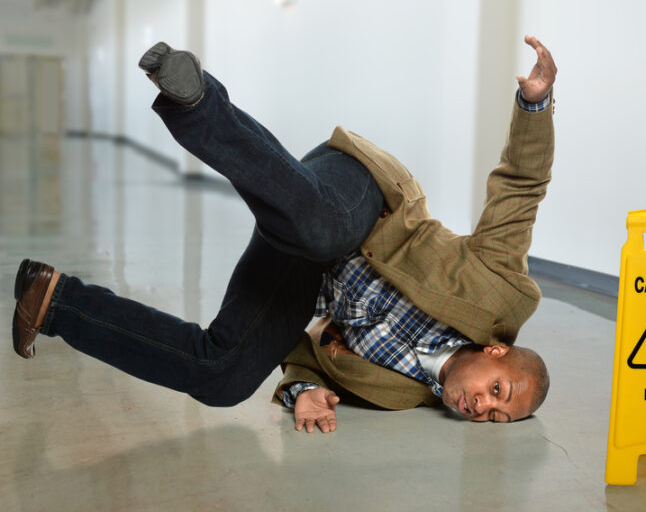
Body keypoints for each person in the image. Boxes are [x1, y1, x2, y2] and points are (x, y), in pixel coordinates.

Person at [12, 34, 557, 433]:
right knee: (322, 231)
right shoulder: (499, 293)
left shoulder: (402, 394)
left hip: (303, 269)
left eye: (496, 416)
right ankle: (197, 102)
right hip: (361, 203)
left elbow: (306, 352)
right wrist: (535, 104)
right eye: (496, 392)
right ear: (497, 350)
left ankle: (56, 302)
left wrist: (303, 389)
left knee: (222, 377)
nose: (483, 407)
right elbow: (520, 189)